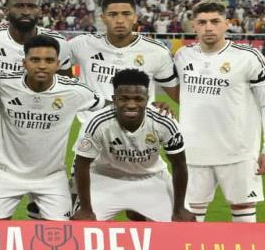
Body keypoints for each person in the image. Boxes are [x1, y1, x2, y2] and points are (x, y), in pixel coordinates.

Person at [0, 0, 72, 219]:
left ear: (39, 11)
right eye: (20, 6)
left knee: (44, 212)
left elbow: (67, 85)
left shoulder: (58, 42)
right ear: (6, 10)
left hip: (43, 141)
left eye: (31, 6)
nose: (26, 11)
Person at [174, 0, 265, 223]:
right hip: (192, 153)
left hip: (238, 153)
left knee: (244, 218)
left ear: (227, 24)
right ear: (193, 25)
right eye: (202, 22)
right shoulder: (182, 56)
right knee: (190, 220)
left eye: (215, 21)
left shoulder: (248, 57)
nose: (208, 27)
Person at [0, 35, 104, 221]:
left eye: (49, 60)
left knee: (61, 234)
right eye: (35, 60)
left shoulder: (76, 91)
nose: (42, 66)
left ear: (58, 64)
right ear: (24, 63)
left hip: (51, 178)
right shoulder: (3, 84)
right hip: (6, 174)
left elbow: (109, 105)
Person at [71, 69, 194, 222]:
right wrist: (85, 209)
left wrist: (180, 208)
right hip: (105, 177)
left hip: (152, 177)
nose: (131, 105)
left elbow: (179, 164)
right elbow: (82, 164)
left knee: (184, 225)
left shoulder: (164, 121)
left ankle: (140, 213)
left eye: (138, 99)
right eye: (124, 99)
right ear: (114, 99)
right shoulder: (97, 122)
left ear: (147, 99)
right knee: (82, 224)